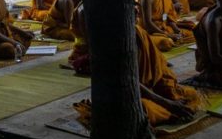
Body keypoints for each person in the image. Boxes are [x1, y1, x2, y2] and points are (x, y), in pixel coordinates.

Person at [74, 24, 203, 127]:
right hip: (127, 93)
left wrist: (169, 95)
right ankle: (167, 112)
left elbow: (158, 71)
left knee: (190, 95)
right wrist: (168, 103)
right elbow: (129, 81)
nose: (136, 11)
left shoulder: (137, 32)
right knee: (142, 110)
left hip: (149, 88)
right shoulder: (112, 39)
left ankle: (168, 109)